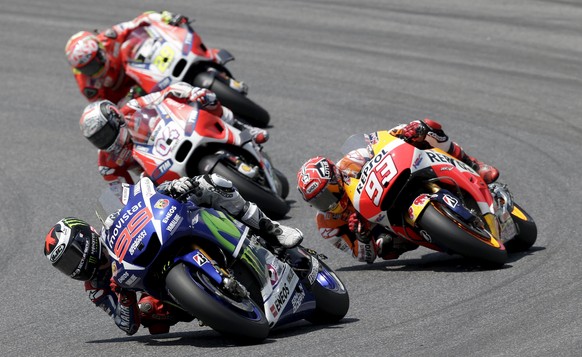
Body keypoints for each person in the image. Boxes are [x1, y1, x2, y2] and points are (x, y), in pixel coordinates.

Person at [43, 175, 303, 335]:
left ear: (85, 236)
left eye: (72, 256)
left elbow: (141, 197)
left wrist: (168, 188)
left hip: (163, 234)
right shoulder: (96, 287)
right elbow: (126, 325)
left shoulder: (112, 227)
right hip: (157, 288)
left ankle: (273, 229)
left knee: (208, 184)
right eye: (65, 266)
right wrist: (123, 296)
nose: (74, 266)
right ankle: (210, 306)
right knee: (147, 310)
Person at [296, 118, 499, 264]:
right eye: (317, 201)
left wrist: (404, 133)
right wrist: (363, 237)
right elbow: (364, 256)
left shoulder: (351, 161)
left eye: (326, 195)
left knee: (426, 127)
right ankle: (445, 235)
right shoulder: (327, 224)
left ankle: (473, 163)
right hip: (388, 225)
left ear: (335, 177)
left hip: (398, 180)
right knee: (386, 247)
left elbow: (379, 141)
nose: (327, 204)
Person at [79, 81, 268, 199]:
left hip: (168, 138)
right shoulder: (107, 164)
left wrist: (190, 92)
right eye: (98, 139)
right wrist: (144, 193)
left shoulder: (132, 108)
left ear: (116, 119)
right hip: (154, 171)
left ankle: (245, 129)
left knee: (207, 100)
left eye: (104, 133)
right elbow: (124, 195)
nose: (104, 141)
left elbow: (164, 94)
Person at [65, 11, 189, 104]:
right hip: (133, 97)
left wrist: (166, 17)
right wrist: (129, 99)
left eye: (96, 61)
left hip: (148, 67)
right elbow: (107, 111)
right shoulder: (89, 87)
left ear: (100, 48)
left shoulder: (109, 37)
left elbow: (141, 19)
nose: (96, 68)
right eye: (88, 68)